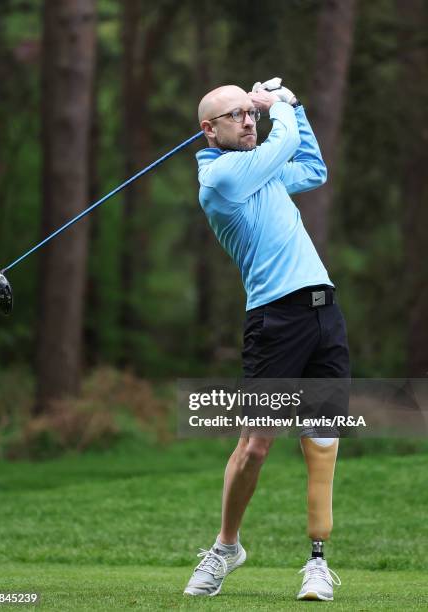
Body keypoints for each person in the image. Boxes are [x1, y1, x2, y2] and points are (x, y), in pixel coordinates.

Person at [183, 79, 350, 601]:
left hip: (325, 313)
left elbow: (313, 168)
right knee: (255, 447)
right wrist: (280, 104)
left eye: (249, 113)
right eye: (236, 115)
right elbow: (282, 147)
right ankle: (227, 546)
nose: (248, 120)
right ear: (209, 131)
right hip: (275, 324)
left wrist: (291, 110)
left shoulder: (262, 173)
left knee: (322, 441)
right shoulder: (223, 179)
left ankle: (317, 562)